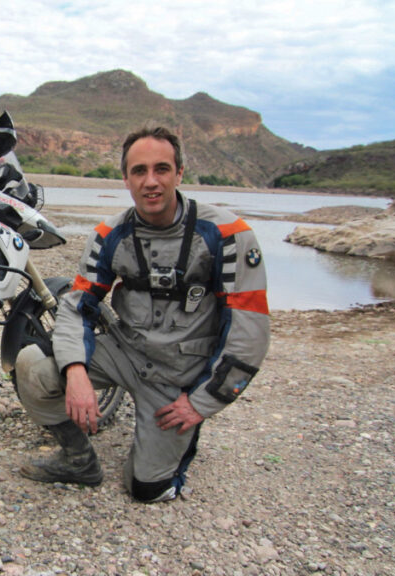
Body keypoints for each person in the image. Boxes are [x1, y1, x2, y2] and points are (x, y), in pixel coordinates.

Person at [15, 126, 270, 502]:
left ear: (179, 173)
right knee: (32, 367)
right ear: (126, 179)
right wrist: (75, 370)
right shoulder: (110, 234)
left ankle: (171, 445)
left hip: (179, 373)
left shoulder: (227, 234)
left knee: (148, 489)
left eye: (162, 169)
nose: (151, 182)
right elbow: (77, 305)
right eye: (139, 171)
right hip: (126, 353)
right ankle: (78, 459)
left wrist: (202, 402)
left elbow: (249, 332)